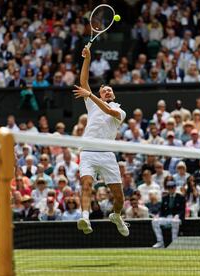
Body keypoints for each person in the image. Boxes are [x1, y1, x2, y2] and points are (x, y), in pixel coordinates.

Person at [72, 46, 129, 236]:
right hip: (88, 151)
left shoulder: (119, 111)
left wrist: (91, 96)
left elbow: (108, 111)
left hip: (106, 154)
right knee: (86, 185)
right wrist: (87, 59)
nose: (107, 91)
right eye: (104, 90)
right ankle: (85, 218)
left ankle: (117, 215)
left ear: (113, 95)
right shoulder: (91, 102)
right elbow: (84, 81)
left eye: (109, 90)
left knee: (119, 197)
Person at [152, 181, 185, 248]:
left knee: (175, 221)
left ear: (175, 188)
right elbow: (161, 210)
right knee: (154, 221)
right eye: (169, 188)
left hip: (176, 218)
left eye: (172, 187)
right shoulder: (165, 198)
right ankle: (160, 242)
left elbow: (182, 210)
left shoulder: (180, 197)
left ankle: (174, 243)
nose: (170, 189)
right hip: (166, 218)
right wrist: (158, 215)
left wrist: (178, 215)